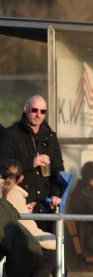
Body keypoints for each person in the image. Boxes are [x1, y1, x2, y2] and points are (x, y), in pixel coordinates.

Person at [0, 95, 65, 229]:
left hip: (46, 207)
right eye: (34, 110)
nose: (38, 115)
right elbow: (4, 165)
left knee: (47, 240)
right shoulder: (11, 134)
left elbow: (58, 169)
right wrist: (32, 162)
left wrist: (55, 194)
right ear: (26, 108)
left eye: (43, 111)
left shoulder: (50, 136)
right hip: (21, 204)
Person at [0, 190, 55, 277]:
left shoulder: (12, 195)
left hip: (14, 250)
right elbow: (17, 215)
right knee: (10, 276)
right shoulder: (7, 202)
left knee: (6, 275)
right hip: (27, 251)